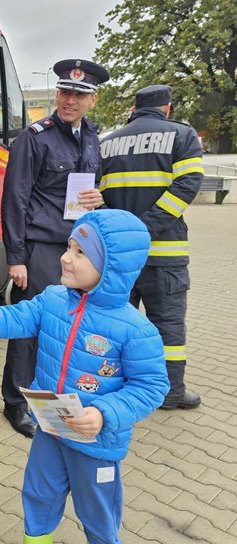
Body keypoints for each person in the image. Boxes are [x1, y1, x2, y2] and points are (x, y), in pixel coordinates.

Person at [0, 209, 170, 544]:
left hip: (97, 443)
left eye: (81, 253)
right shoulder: (52, 300)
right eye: (69, 247)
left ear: (114, 268)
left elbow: (152, 386)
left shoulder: (136, 330)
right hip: (52, 428)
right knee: (38, 495)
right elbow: (11, 319)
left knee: (98, 513)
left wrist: (104, 413)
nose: (65, 258)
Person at [0, 59, 109, 437]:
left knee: (68, 327)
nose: (69, 100)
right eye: (65, 92)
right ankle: (16, 403)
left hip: (78, 247)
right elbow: (14, 199)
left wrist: (98, 198)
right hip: (41, 248)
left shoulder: (93, 137)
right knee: (31, 328)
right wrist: (16, 258)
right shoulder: (35, 137)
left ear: (92, 100)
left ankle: (55, 394)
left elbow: (90, 189)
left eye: (79, 94)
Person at [100, 84, 204, 409]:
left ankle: (113, 386)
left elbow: (93, 195)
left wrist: (124, 232)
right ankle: (170, 393)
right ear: (167, 108)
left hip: (118, 255)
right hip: (165, 256)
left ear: (134, 108)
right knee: (167, 326)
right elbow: (188, 184)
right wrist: (147, 226)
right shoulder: (183, 136)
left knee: (116, 324)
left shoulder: (107, 144)